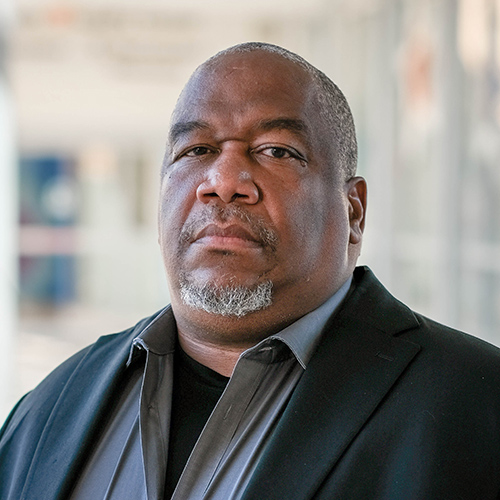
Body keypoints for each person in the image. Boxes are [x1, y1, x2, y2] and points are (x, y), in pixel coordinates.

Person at [1, 42, 500, 500]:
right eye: (196, 150)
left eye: (276, 151)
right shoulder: (45, 411)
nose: (223, 182)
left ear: (354, 212)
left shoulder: (478, 407)